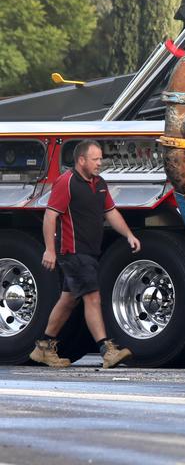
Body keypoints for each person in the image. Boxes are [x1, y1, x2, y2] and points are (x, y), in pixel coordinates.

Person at [29, 140, 140, 368]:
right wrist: (50, 250)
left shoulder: (99, 183)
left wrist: (128, 235)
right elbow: (51, 216)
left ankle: (43, 348)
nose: (100, 163)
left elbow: (111, 212)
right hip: (73, 251)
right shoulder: (66, 182)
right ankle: (107, 351)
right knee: (93, 297)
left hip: (89, 251)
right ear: (81, 160)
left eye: (100, 159)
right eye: (95, 159)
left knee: (68, 300)